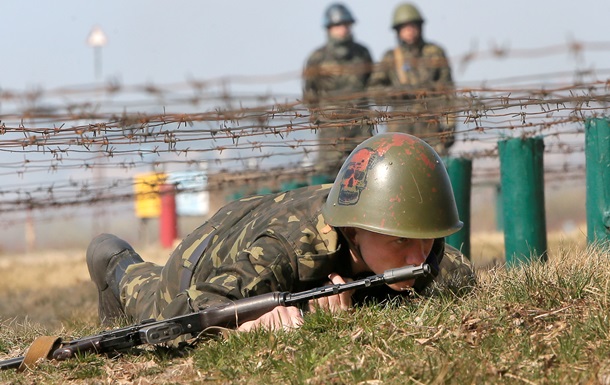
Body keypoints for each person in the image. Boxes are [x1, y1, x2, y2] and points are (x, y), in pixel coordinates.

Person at [87, 133, 475, 332]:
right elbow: (185, 312)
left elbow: (458, 274)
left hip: (263, 217)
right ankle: (115, 260)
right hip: (205, 257)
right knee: (149, 299)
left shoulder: (421, 250)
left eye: (426, 238)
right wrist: (250, 325)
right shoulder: (287, 250)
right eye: (400, 241)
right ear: (355, 230)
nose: (417, 257)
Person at [368, 3, 456, 156]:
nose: (409, 31)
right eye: (404, 27)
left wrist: (449, 126)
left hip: (431, 127)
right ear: (398, 31)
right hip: (400, 130)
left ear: (420, 27)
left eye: (413, 26)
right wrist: (397, 93)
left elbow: (448, 93)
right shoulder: (391, 57)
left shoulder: (435, 53)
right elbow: (374, 91)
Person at [302, 3, 374, 183]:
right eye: (338, 25)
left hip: (360, 125)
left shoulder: (362, 53)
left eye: (346, 24)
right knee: (329, 178)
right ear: (329, 28)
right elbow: (310, 92)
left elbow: (371, 83)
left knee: (366, 174)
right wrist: (321, 118)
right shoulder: (317, 58)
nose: (343, 29)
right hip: (331, 129)